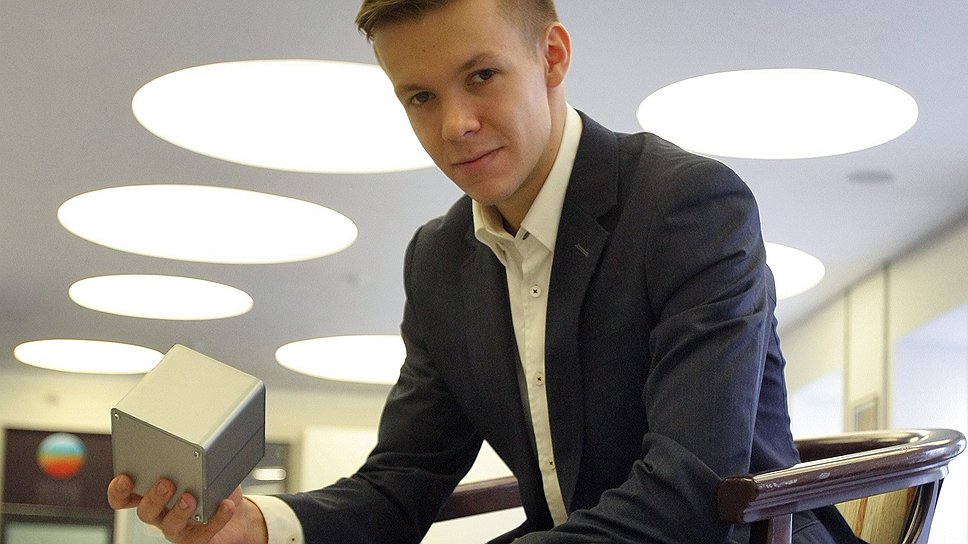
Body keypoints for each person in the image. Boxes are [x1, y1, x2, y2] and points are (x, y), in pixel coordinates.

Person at [108, 0, 858, 542]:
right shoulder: (439, 261)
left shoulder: (687, 204)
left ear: (552, 56)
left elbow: (692, 489)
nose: (454, 125)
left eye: (482, 76)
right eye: (420, 97)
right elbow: (403, 482)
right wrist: (259, 525)